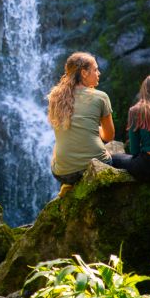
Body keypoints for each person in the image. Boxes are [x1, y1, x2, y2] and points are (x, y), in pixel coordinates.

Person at [48, 52, 115, 196]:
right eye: (96, 69)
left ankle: (69, 186)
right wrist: (96, 131)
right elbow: (109, 136)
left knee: (56, 145)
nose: (99, 73)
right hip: (95, 166)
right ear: (84, 73)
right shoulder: (101, 97)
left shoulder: (55, 96)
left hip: (63, 174)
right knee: (113, 153)